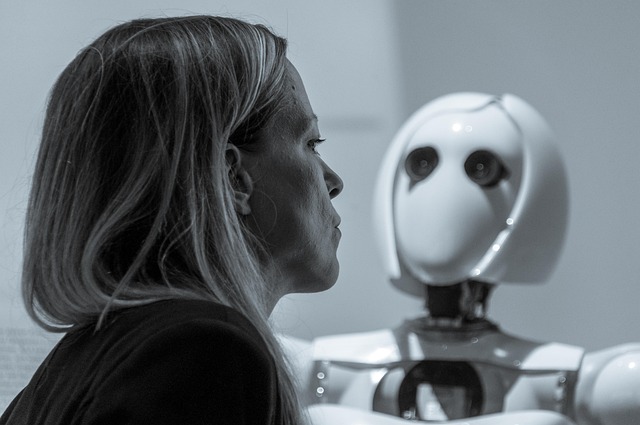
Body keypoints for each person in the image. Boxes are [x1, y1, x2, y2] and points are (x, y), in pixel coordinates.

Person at [1, 15, 343, 425]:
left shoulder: (66, 373)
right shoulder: (205, 352)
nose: (334, 182)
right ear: (232, 177)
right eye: (311, 143)